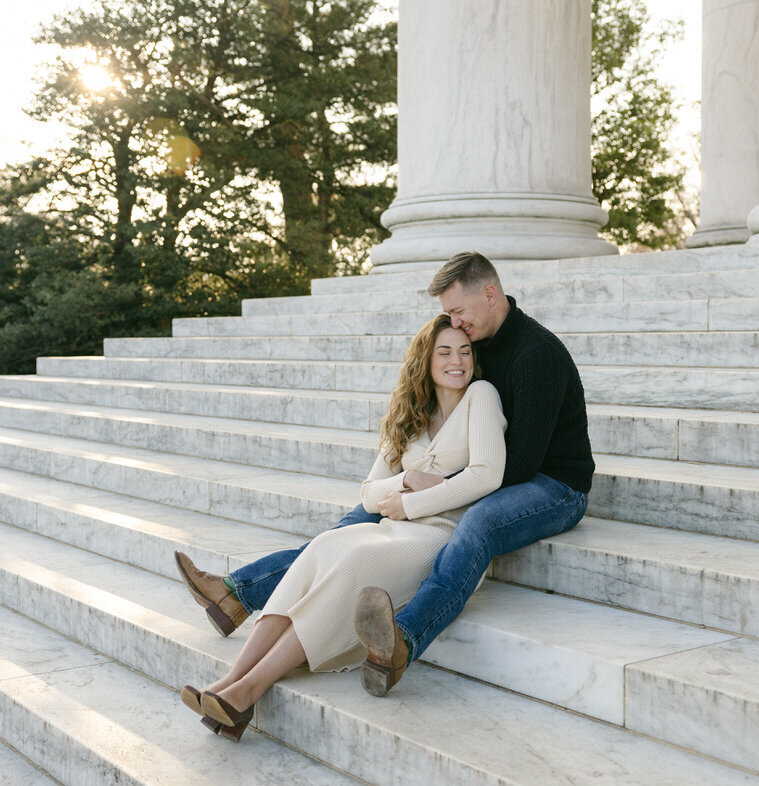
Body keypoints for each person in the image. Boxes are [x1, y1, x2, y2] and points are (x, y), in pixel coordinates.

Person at [175, 250, 592, 698]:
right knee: (345, 530)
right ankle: (238, 594)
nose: (456, 331)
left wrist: (422, 498)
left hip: (553, 484)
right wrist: (406, 486)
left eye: (458, 313)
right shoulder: (477, 340)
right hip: (474, 475)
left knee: (480, 522)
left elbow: (516, 467)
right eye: (448, 325)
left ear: (490, 295)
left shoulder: (536, 354)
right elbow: (418, 451)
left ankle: (405, 638)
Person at [179, 312, 506, 739]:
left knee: (351, 559)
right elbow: (370, 492)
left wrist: (411, 505)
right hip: (394, 527)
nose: (456, 360)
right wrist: (406, 479)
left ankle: (249, 691)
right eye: (444, 351)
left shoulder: (481, 395)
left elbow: (486, 475)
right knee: (323, 548)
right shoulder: (411, 414)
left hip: (442, 535)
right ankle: (229, 683)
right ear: (425, 360)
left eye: (464, 351)